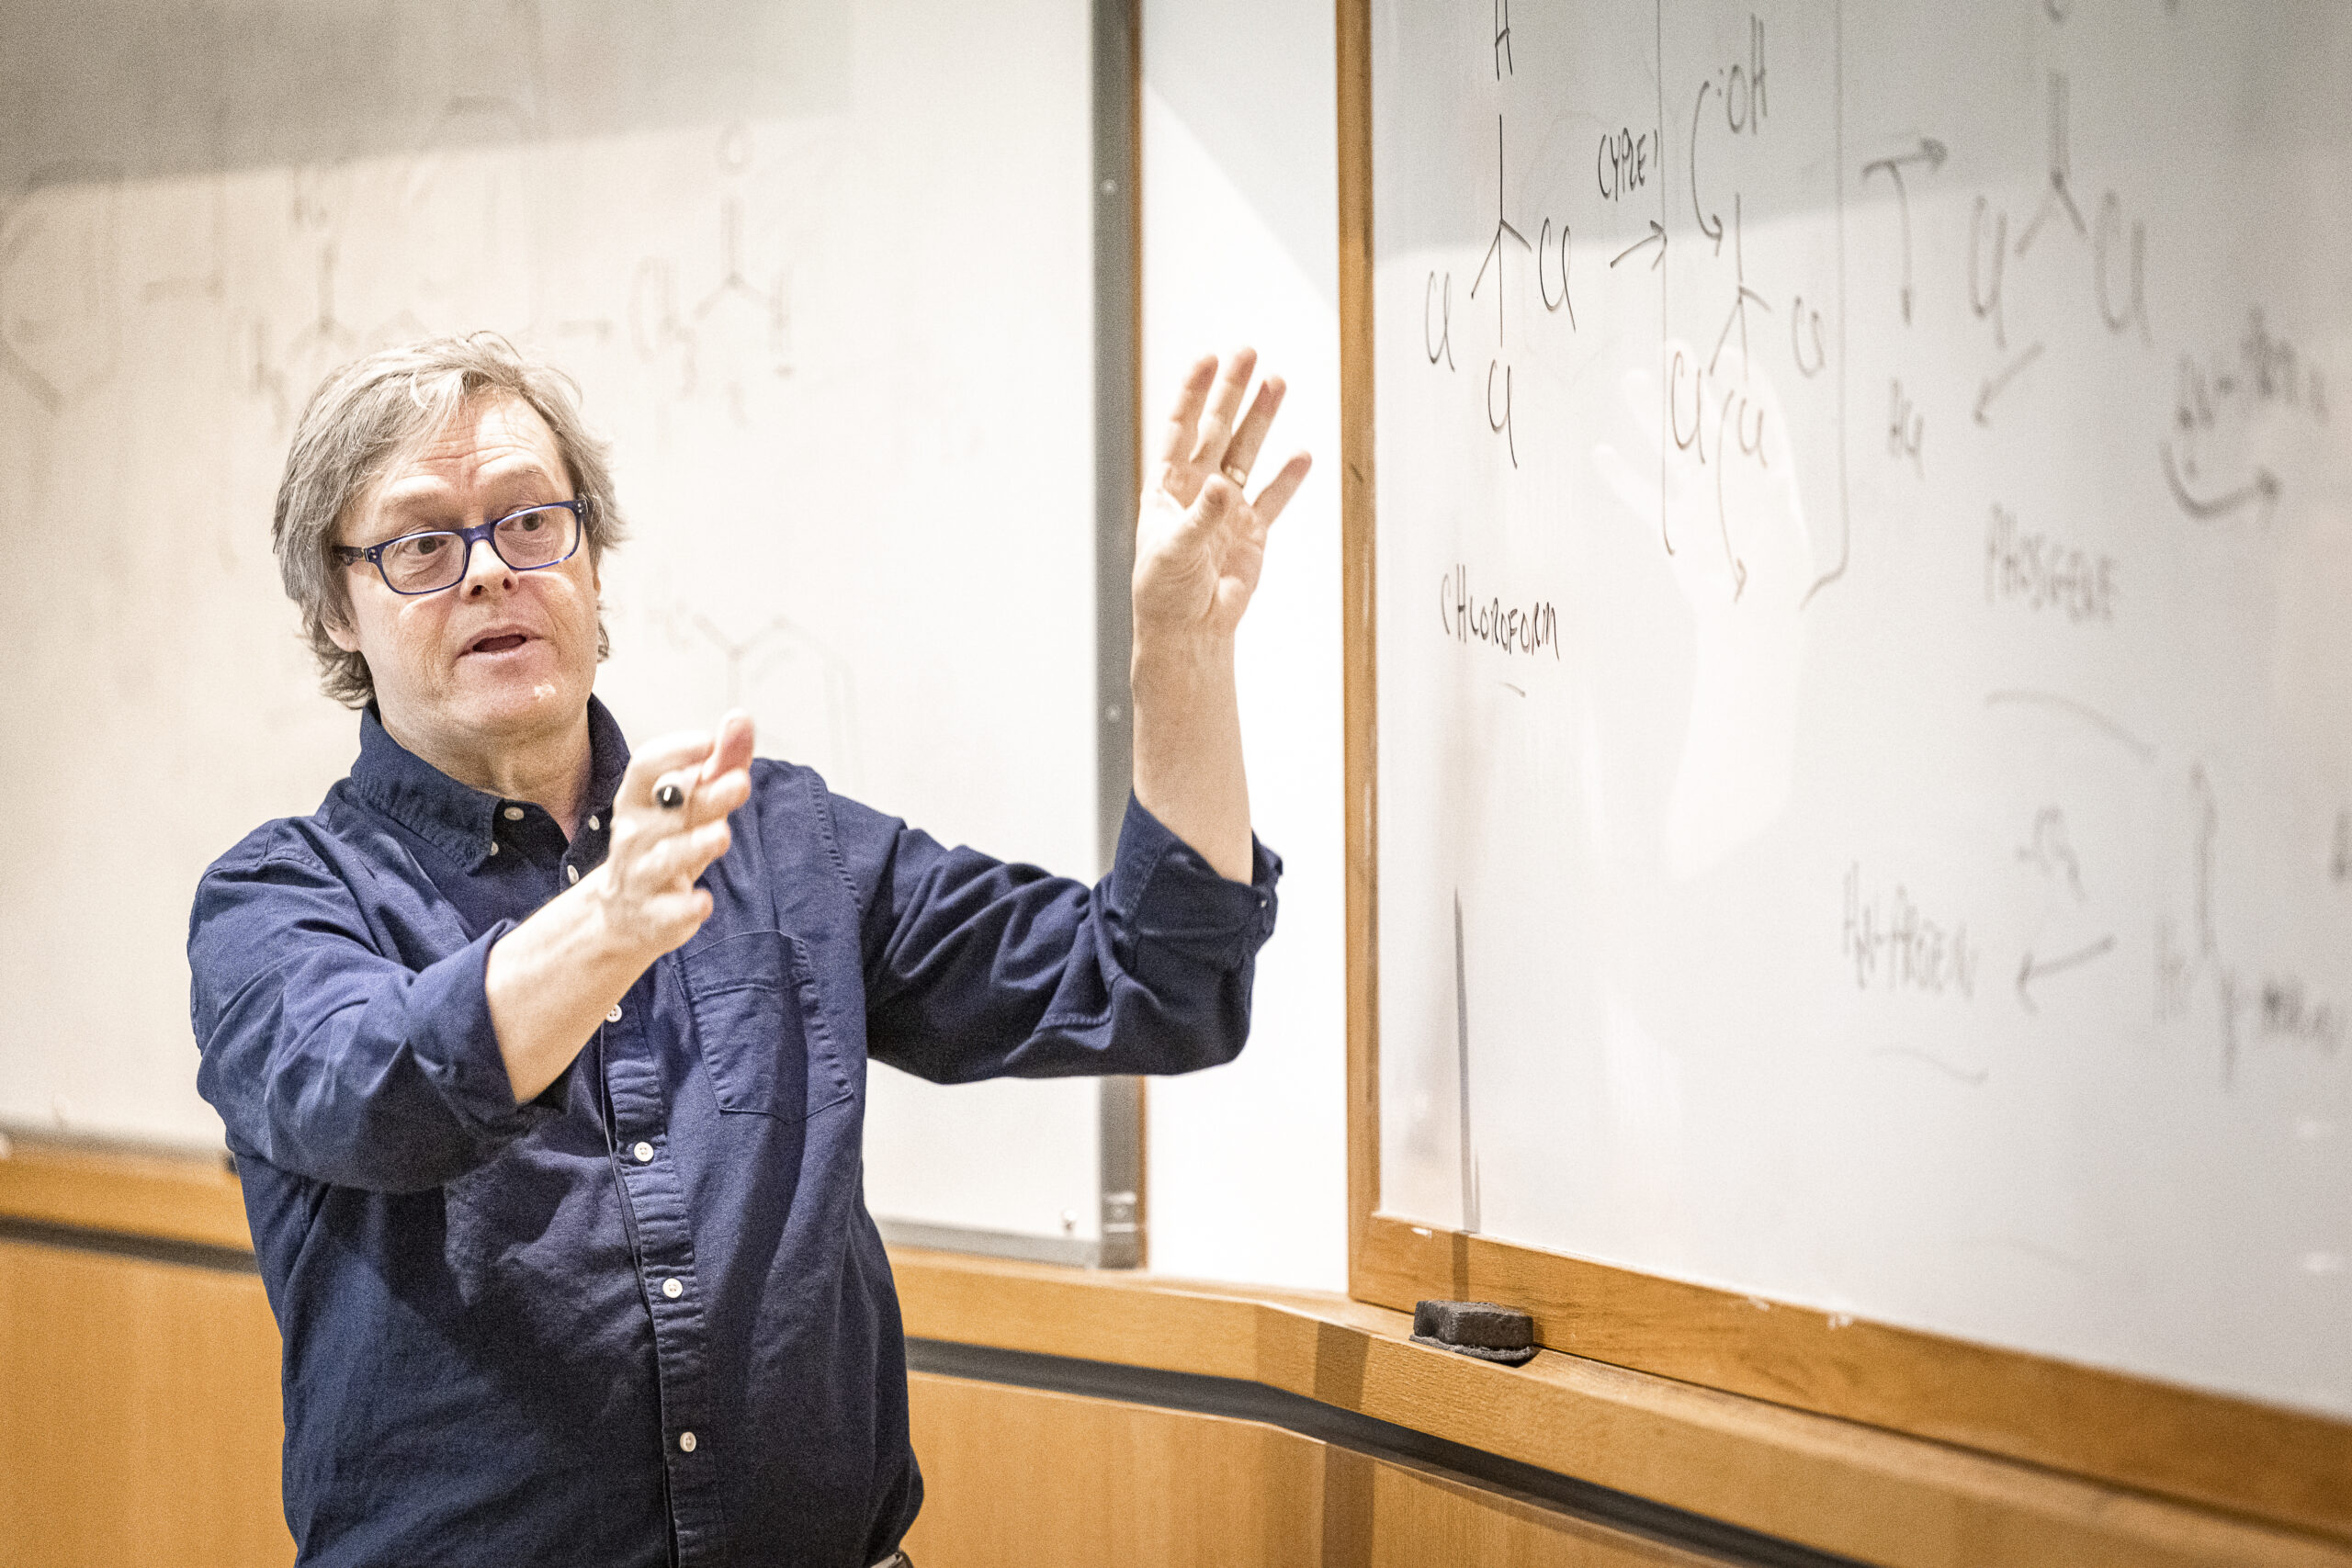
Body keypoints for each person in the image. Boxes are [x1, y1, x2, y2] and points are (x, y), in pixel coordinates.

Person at [187, 333, 1310, 1568]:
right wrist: (608, 926)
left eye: (529, 524)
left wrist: (1181, 654)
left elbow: (1157, 984)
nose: (491, 574)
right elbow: (380, 1093)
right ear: (336, 613)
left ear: (595, 566)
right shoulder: (277, 899)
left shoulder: (777, 838)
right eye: (419, 544)